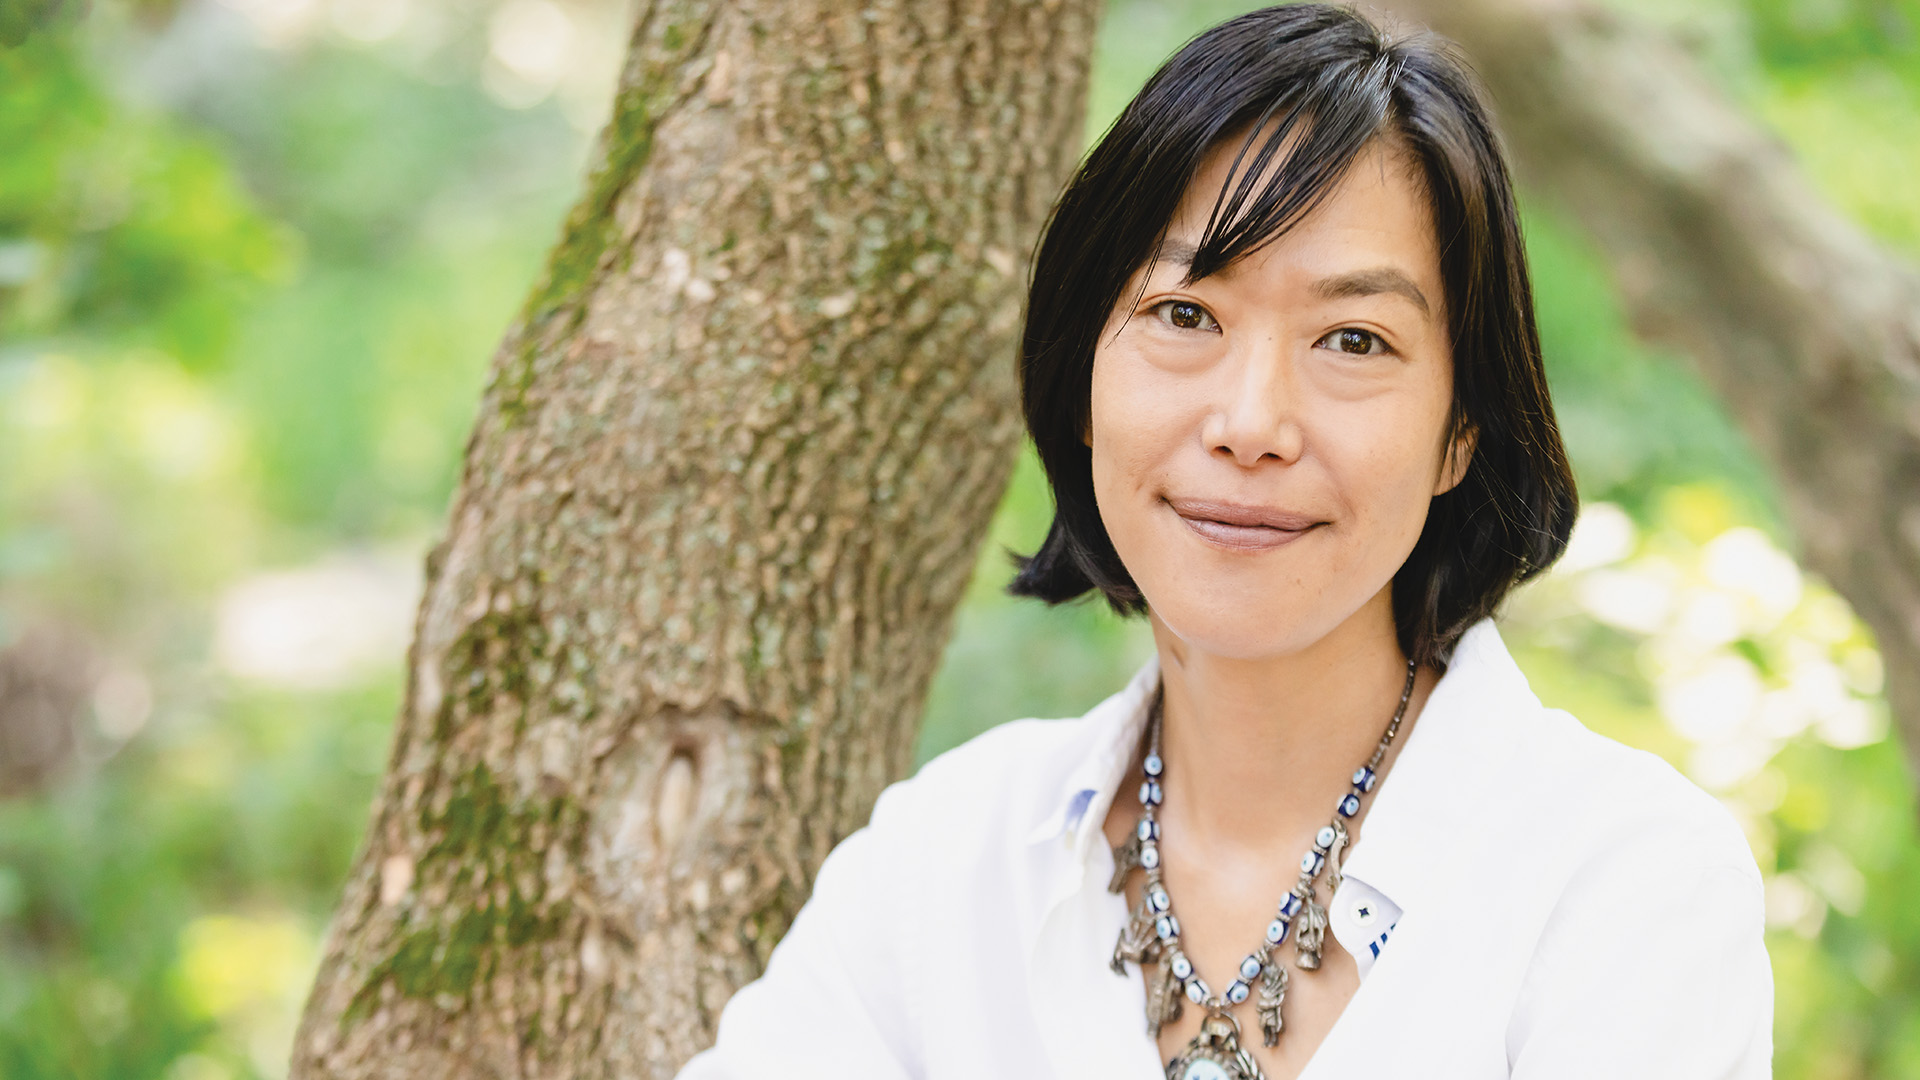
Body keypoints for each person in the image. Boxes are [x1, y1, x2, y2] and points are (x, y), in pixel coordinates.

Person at [677, 5, 1772, 1078]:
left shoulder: (1623, 882)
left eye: (1354, 339)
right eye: (1186, 315)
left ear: (1461, 435)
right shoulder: (946, 861)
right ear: (1083, 374)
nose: (1251, 423)